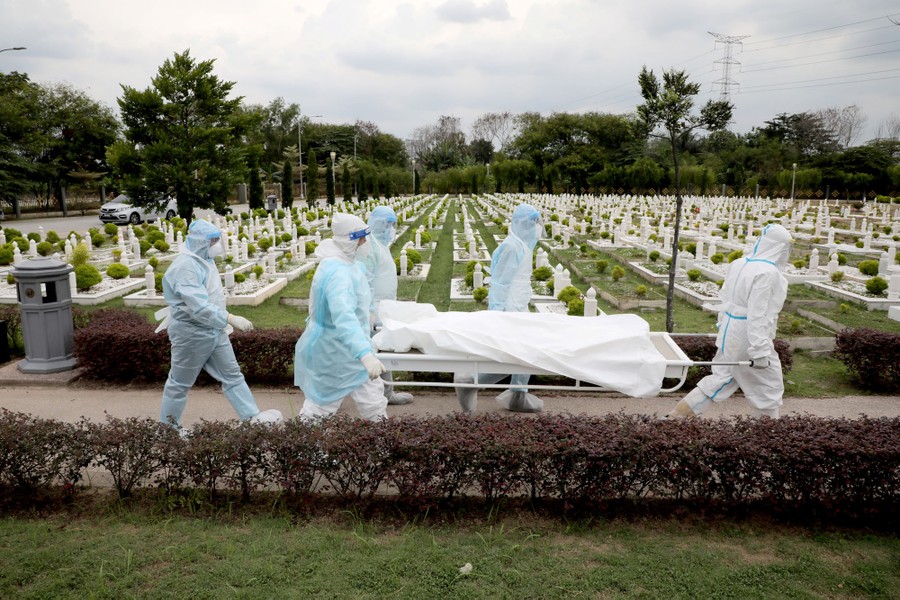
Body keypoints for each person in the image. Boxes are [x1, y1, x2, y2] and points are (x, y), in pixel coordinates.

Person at [159, 219, 282, 429]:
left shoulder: (203, 259)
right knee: (179, 383)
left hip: (214, 330)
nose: (217, 244)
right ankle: (168, 429)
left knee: (232, 375)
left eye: (217, 239)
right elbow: (199, 306)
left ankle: (252, 418)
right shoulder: (185, 267)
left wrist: (222, 322)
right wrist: (230, 318)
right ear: (199, 242)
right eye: (213, 240)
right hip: (191, 334)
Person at [668, 223, 794, 419]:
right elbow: (757, 314)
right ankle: (769, 434)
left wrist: (723, 327)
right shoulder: (768, 273)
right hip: (748, 335)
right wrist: (760, 350)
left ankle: (675, 417)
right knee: (768, 385)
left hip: (730, 329)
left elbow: (725, 299)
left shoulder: (739, 263)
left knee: (722, 377)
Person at [294, 213, 388, 421]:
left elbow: (359, 302)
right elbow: (344, 318)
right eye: (360, 237)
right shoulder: (338, 274)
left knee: (373, 401)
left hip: (350, 349)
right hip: (337, 351)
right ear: (348, 239)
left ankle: (384, 446)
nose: (365, 242)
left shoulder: (344, 262)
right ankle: (303, 450)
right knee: (320, 407)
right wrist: (364, 354)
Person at [455, 203, 544, 414]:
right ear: (523, 224)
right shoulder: (511, 247)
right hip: (510, 310)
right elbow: (500, 283)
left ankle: (518, 394)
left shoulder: (522, 245)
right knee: (517, 355)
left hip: (519, 307)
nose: (537, 227)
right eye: (533, 223)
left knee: (525, 353)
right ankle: (471, 381)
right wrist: (497, 313)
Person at [360, 206, 414, 406]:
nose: (390, 228)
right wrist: (370, 312)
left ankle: (386, 393)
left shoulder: (381, 245)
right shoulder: (369, 247)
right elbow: (365, 281)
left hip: (385, 308)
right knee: (372, 354)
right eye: (386, 224)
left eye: (392, 224)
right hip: (373, 311)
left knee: (384, 352)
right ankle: (375, 397)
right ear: (375, 223)